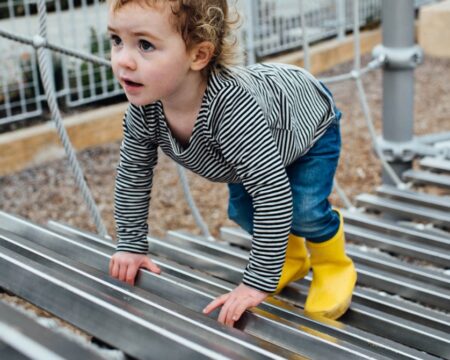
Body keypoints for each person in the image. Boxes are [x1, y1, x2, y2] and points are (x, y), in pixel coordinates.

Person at [107, 0, 357, 327]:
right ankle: (292, 257)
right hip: (249, 154)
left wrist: (256, 282)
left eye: (145, 45)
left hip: (305, 125)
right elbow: (132, 176)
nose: (123, 60)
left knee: (304, 210)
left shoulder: (231, 111)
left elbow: (272, 194)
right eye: (116, 40)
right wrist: (130, 244)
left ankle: (333, 264)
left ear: (198, 55)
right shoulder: (145, 110)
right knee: (242, 210)